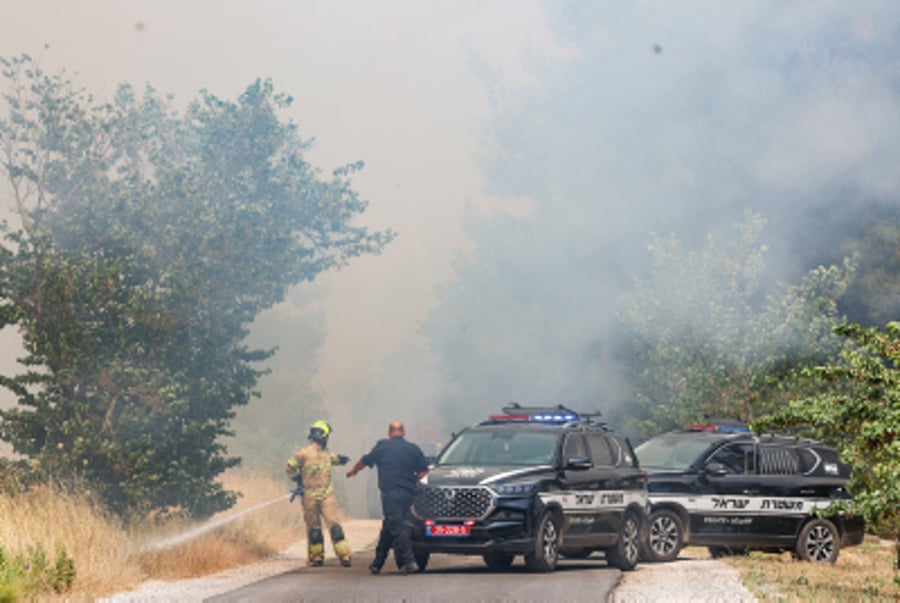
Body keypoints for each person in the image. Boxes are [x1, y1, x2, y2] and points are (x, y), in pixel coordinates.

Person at [346, 420, 429, 575]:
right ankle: (377, 563)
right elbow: (423, 471)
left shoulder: (382, 446)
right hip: (408, 494)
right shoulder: (413, 449)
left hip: (390, 493)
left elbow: (365, 460)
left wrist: (353, 471)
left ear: (389, 433)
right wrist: (413, 482)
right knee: (389, 526)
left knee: (397, 526)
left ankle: (410, 561)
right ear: (403, 432)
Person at [285, 420, 352, 567]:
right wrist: (297, 479)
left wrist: (341, 459)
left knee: (315, 529)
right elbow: (290, 466)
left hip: (321, 496)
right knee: (333, 527)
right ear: (323, 436)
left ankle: (318, 558)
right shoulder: (303, 454)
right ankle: (344, 556)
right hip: (314, 497)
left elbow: (289, 467)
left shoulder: (324, 453)